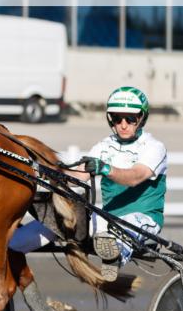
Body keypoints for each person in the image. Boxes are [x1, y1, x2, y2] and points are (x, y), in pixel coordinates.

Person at [9, 86, 167, 282]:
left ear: (142, 118)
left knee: (124, 228)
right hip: (108, 220)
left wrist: (106, 168)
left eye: (130, 119)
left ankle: (115, 256)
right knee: (58, 220)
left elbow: (135, 177)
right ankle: (11, 245)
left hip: (144, 219)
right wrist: (43, 172)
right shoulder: (104, 147)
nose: (123, 124)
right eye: (117, 118)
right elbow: (76, 176)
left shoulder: (154, 147)